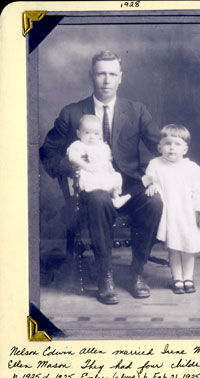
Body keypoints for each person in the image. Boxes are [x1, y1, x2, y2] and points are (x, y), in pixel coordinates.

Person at [39, 50, 163, 305]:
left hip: (126, 184)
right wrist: (73, 169)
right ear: (91, 76)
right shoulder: (71, 112)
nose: (107, 80)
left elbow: (161, 147)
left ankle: (137, 272)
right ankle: (105, 273)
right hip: (89, 188)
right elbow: (48, 153)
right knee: (98, 200)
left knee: (154, 202)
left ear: (120, 78)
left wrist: (167, 170)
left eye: (112, 74)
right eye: (101, 74)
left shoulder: (137, 110)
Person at [145, 124, 200, 294]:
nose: (171, 148)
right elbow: (147, 179)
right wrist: (151, 184)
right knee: (174, 247)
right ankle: (177, 279)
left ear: (185, 149)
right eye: (167, 143)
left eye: (177, 144)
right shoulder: (155, 164)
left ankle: (188, 279)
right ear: (159, 147)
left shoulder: (192, 168)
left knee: (189, 247)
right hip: (170, 214)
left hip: (188, 214)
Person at [66, 114, 131, 209]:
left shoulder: (102, 147)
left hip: (102, 172)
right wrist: (86, 166)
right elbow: (72, 158)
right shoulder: (78, 145)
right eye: (87, 133)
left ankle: (116, 198)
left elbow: (107, 160)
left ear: (101, 135)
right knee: (95, 182)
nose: (91, 137)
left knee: (116, 176)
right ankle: (111, 200)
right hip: (88, 173)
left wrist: (110, 169)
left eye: (96, 133)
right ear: (79, 134)